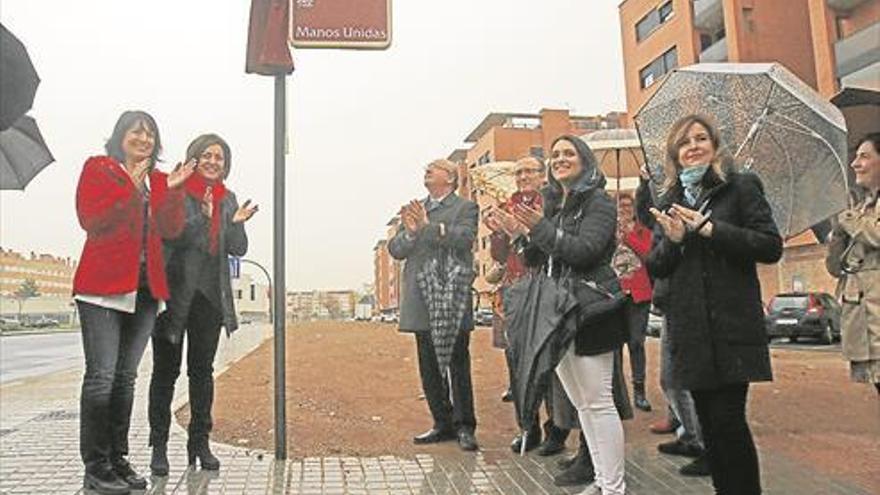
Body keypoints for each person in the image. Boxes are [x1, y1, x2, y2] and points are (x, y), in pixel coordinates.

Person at [647, 114, 782, 495]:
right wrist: (673, 241)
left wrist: (711, 230)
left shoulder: (739, 188)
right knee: (709, 427)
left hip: (731, 326)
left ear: (714, 145)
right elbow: (656, 265)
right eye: (684, 142)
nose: (693, 146)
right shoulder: (669, 200)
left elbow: (769, 245)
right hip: (690, 328)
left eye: (700, 138)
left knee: (728, 423)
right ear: (675, 154)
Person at [73, 110, 193, 494]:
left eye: (150, 134)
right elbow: (92, 219)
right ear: (120, 136)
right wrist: (131, 186)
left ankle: (118, 459)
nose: (144, 139)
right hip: (102, 288)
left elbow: (171, 229)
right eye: (136, 132)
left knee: (125, 380)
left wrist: (171, 190)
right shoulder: (100, 169)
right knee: (101, 378)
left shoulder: (157, 181)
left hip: (144, 290)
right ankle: (96, 467)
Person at [510, 135, 628, 495]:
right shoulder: (555, 205)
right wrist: (520, 232)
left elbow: (584, 251)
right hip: (558, 311)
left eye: (568, 153)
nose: (560, 159)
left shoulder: (599, 203)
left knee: (598, 401)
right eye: (555, 155)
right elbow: (536, 257)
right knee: (581, 403)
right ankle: (602, 479)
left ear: (585, 160)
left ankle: (614, 487)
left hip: (591, 311)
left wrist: (541, 228)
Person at [148, 134, 258, 475]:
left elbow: (237, 249)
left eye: (220, 157)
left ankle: (200, 443)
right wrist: (204, 217)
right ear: (194, 158)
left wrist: (234, 223)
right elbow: (172, 235)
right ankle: (159, 446)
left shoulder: (229, 199)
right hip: (174, 295)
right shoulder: (177, 187)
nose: (213, 161)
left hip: (210, 298)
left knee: (202, 374)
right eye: (207, 155)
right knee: (165, 373)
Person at [388, 159, 480, 452]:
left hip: (450, 294)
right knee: (428, 365)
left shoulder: (464, 208)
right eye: (425, 168)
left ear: (450, 178)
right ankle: (442, 423)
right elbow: (396, 249)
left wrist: (429, 228)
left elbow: (464, 239)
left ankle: (465, 426)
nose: (426, 170)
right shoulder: (415, 208)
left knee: (457, 363)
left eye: (433, 168)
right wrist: (412, 231)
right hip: (420, 296)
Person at [484, 156, 571, 456]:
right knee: (517, 364)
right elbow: (498, 255)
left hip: (545, 287)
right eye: (518, 171)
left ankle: (556, 430)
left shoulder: (551, 202)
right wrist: (498, 231)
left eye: (529, 171)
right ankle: (528, 428)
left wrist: (525, 229)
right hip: (513, 290)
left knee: (548, 362)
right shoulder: (506, 204)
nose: (522, 176)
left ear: (541, 174)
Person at [635, 170, 708, 477]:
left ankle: (703, 443)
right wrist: (644, 185)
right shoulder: (671, 196)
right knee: (671, 379)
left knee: (688, 380)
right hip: (670, 299)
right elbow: (649, 221)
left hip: (696, 302)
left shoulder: (710, 199)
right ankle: (691, 436)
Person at [826, 133, 880, 395]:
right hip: (865, 320)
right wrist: (837, 234)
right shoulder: (858, 209)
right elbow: (836, 268)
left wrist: (849, 221)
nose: (855, 164)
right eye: (855, 156)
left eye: (864, 156)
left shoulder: (854, 216)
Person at [613, 193, 653, 412]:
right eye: (620, 205)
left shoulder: (642, 231)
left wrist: (628, 237)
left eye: (628, 205)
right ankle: (618, 393)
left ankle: (640, 391)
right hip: (615, 295)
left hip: (638, 295)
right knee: (615, 346)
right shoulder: (609, 232)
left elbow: (649, 255)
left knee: (636, 343)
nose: (624, 209)